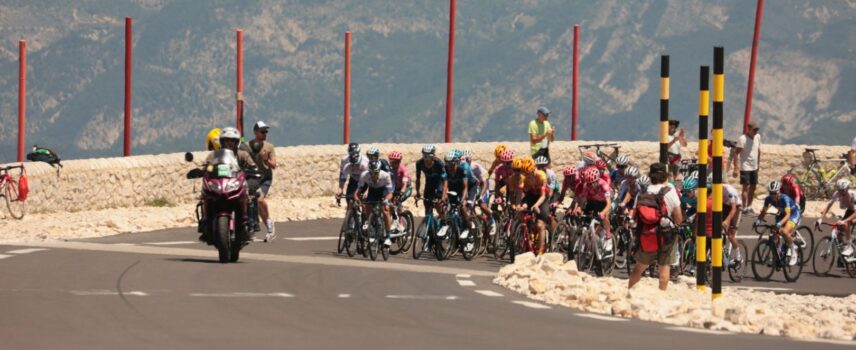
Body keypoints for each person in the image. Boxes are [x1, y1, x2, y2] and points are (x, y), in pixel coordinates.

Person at [629, 163, 683, 291]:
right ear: (665, 176)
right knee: (664, 268)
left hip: (645, 234)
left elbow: (635, 214)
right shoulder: (670, 191)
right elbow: (678, 218)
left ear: (650, 176)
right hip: (666, 236)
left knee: (639, 268)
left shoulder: (643, 192)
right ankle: (661, 295)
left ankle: (629, 291)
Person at [201, 127, 257, 242]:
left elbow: (254, 167)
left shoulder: (243, 155)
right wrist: (202, 170)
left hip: (237, 183)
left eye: (232, 141)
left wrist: (252, 172)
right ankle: (205, 222)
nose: (229, 143)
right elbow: (206, 167)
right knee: (204, 196)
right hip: (219, 184)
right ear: (222, 142)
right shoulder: (214, 155)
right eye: (226, 140)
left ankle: (249, 225)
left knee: (251, 197)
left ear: (237, 142)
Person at [755, 181, 802, 266]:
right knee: (774, 234)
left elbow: (788, 215)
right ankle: (777, 256)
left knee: (784, 232)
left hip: (793, 213)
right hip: (782, 213)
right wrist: (758, 220)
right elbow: (764, 211)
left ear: (778, 192)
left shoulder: (785, 198)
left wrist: (780, 223)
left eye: (774, 193)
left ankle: (793, 251)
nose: (772, 195)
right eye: (771, 193)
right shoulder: (768, 199)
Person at [511, 157, 550, 255]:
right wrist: (518, 205)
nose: (527, 175)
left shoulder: (541, 176)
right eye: (525, 173)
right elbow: (520, 192)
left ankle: (541, 249)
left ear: (534, 169)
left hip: (542, 198)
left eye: (529, 173)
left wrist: (536, 205)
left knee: (540, 224)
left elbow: (543, 195)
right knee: (521, 212)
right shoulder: (524, 176)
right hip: (531, 195)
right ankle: (527, 233)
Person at [354, 160, 395, 247]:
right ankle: (372, 229)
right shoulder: (364, 175)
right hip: (372, 191)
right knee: (367, 207)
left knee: (385, 210)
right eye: (371, 173)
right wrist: (357, 198)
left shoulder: (385, 176)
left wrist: (386, 200)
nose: (373, 175)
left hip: (383, 191)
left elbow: (390, 193)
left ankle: (388, 236)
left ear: (379, 171)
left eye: (375, 173)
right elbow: (358, 190)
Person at [248, 121, 277, 241]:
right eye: (262, 131)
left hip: (265, 178)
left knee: (259, 200)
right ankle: (251, 229)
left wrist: (266, 160)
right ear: (255, 132)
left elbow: (274, 165)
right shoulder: (248, 146)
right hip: (252, 178)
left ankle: (270, 226)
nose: (265, 133)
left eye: (266, 131)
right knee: (250, 203)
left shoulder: (269, 147)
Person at [442, 150, 478, 247]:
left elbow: (465, 187)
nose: (449, 166)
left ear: (457, 162)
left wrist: (463, 200)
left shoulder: (464, 168)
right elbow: (445, 184)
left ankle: (470, 232)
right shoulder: (446, 168)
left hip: (471, 187)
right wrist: (443, 196)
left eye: (451, 164)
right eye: (447, 163)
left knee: (463, 208)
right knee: (450, 207)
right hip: (458, 186)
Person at [819, 179, 856, 258]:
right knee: (838, 227)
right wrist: (821, 218)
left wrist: (845, 220)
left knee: (845, 223)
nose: (841, 193)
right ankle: (842, 247)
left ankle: (850, 246)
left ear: (847, 188)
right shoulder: (837, 193)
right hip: (851, 210)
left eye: (843, 191)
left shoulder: (853, 195)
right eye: (839, 190)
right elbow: (829, 205)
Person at [463, 149, 496, 237]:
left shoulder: (475, 167)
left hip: (482, 184)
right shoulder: (461, 168)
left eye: (468, 160)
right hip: (472, 186)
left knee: (482, 204)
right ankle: (474, 221)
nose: (466, 162)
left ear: (470, 159)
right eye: (464, 160)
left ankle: (492, 221)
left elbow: (484, 182)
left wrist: (481, 196)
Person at [733, 121, 761, 214]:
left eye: (757, 130)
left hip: (754, 167)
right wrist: (736, 168)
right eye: (754, 130)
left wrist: (758, 164)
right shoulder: (743, 139)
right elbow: (736, 153)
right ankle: (744, 207)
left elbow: (758, 150)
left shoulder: (758, 137)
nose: (756, 131)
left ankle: (749, 206)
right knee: (746, 187)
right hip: (745, 167)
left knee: (753, 187)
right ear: (749, 129)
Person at [415, 144, 446, 218]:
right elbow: (418, 179)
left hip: (439, 183)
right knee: (427, 205)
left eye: (428, 156)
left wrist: (443, 195)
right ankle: (428, 224)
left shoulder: (439, 164)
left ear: (433, 156)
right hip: (429, 184)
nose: (426, 159)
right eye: (424, 156)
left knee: (438, 206)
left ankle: (444, 221)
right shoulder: (419, 163)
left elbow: (445, 180)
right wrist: (418, 192)